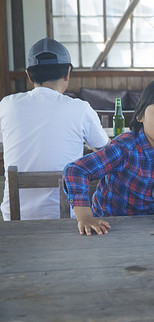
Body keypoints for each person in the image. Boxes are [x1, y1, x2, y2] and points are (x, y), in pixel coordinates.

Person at [63, 78, 154, 235]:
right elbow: (76, 170)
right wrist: (85, 217)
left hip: (149, 225)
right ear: (141, 115)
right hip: (108, 225)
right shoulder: (124, 148)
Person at [0, 37, 109, 221]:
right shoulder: (80, 108)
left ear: (28, 75)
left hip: (14, 215)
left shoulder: (7, 105)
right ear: (68, 73)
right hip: (70, 216)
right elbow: (107, 152)